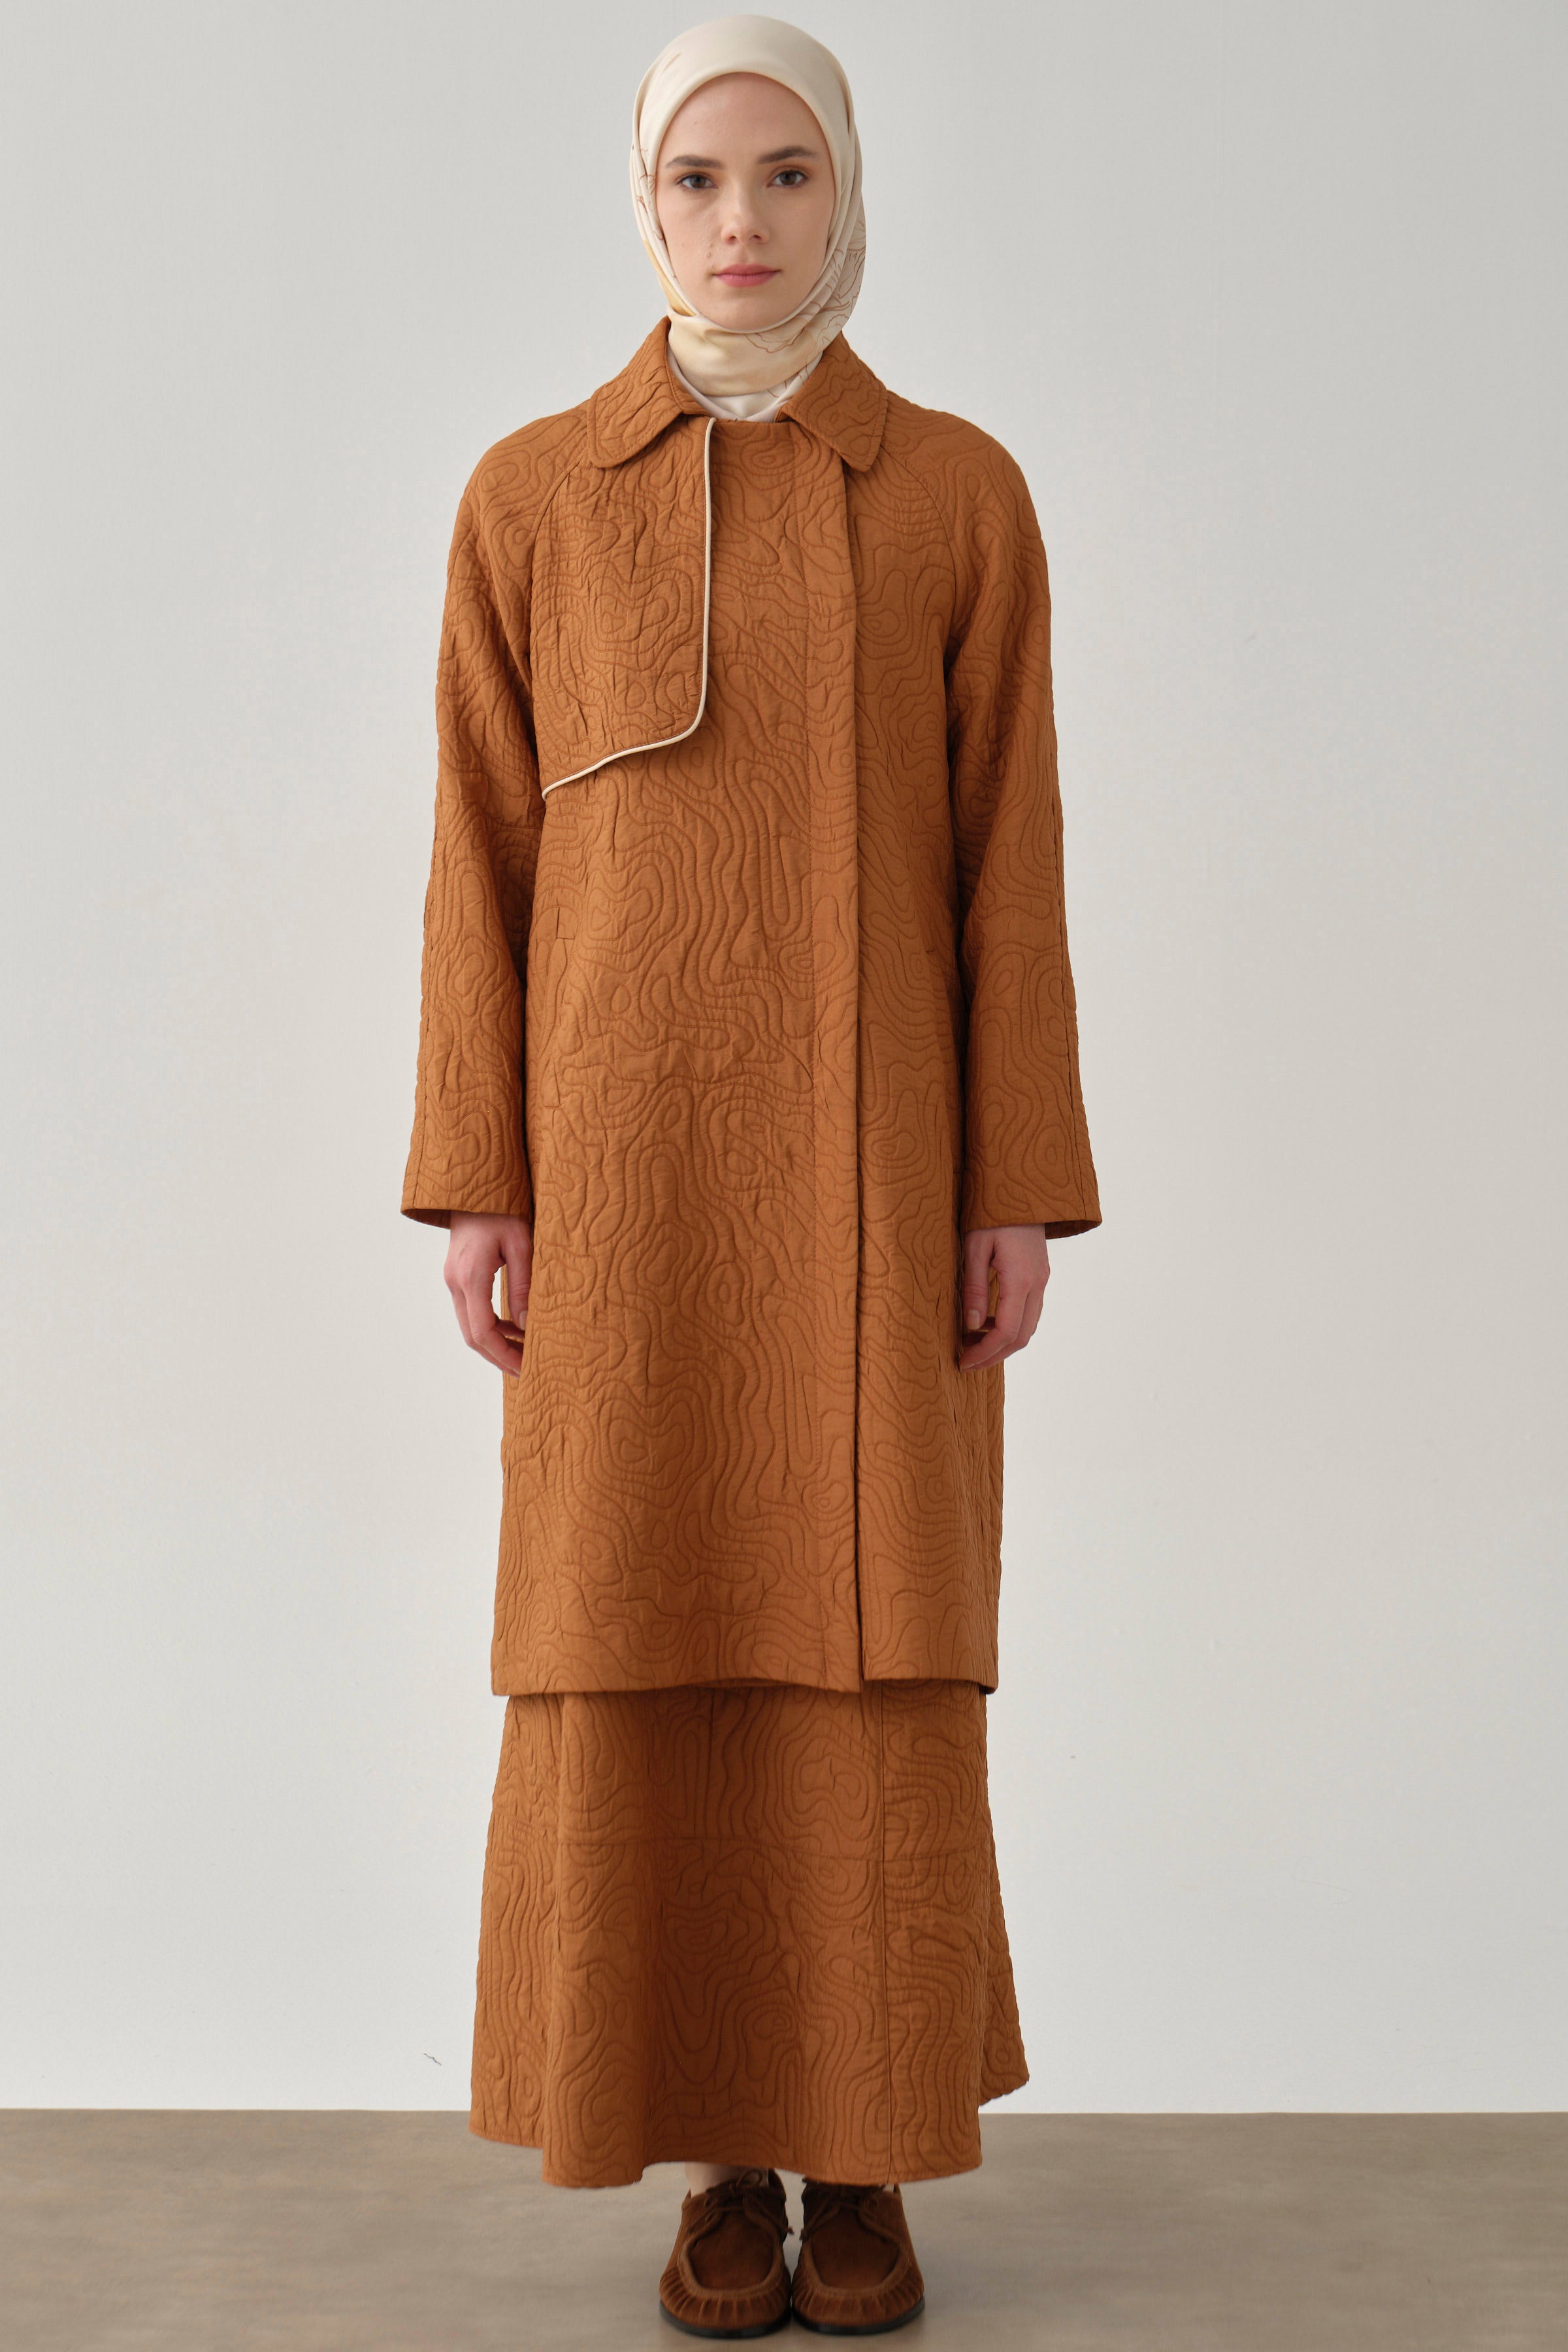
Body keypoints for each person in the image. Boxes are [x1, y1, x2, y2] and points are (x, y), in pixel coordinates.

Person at [401, 12, 1102, 2338]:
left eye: (787, 174)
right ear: (644, 201)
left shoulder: (958, 494)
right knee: (647, 1613)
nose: (742, 220)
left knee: (877, 1636)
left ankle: (866, 2151)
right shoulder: (530, 496)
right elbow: (475, 864)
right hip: (622, 1195)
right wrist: (478, 1176)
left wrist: (1012, 1185)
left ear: (845, 194)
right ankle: (710, 2156)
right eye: (700, 177)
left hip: (885, 1187)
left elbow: (1013, 872)